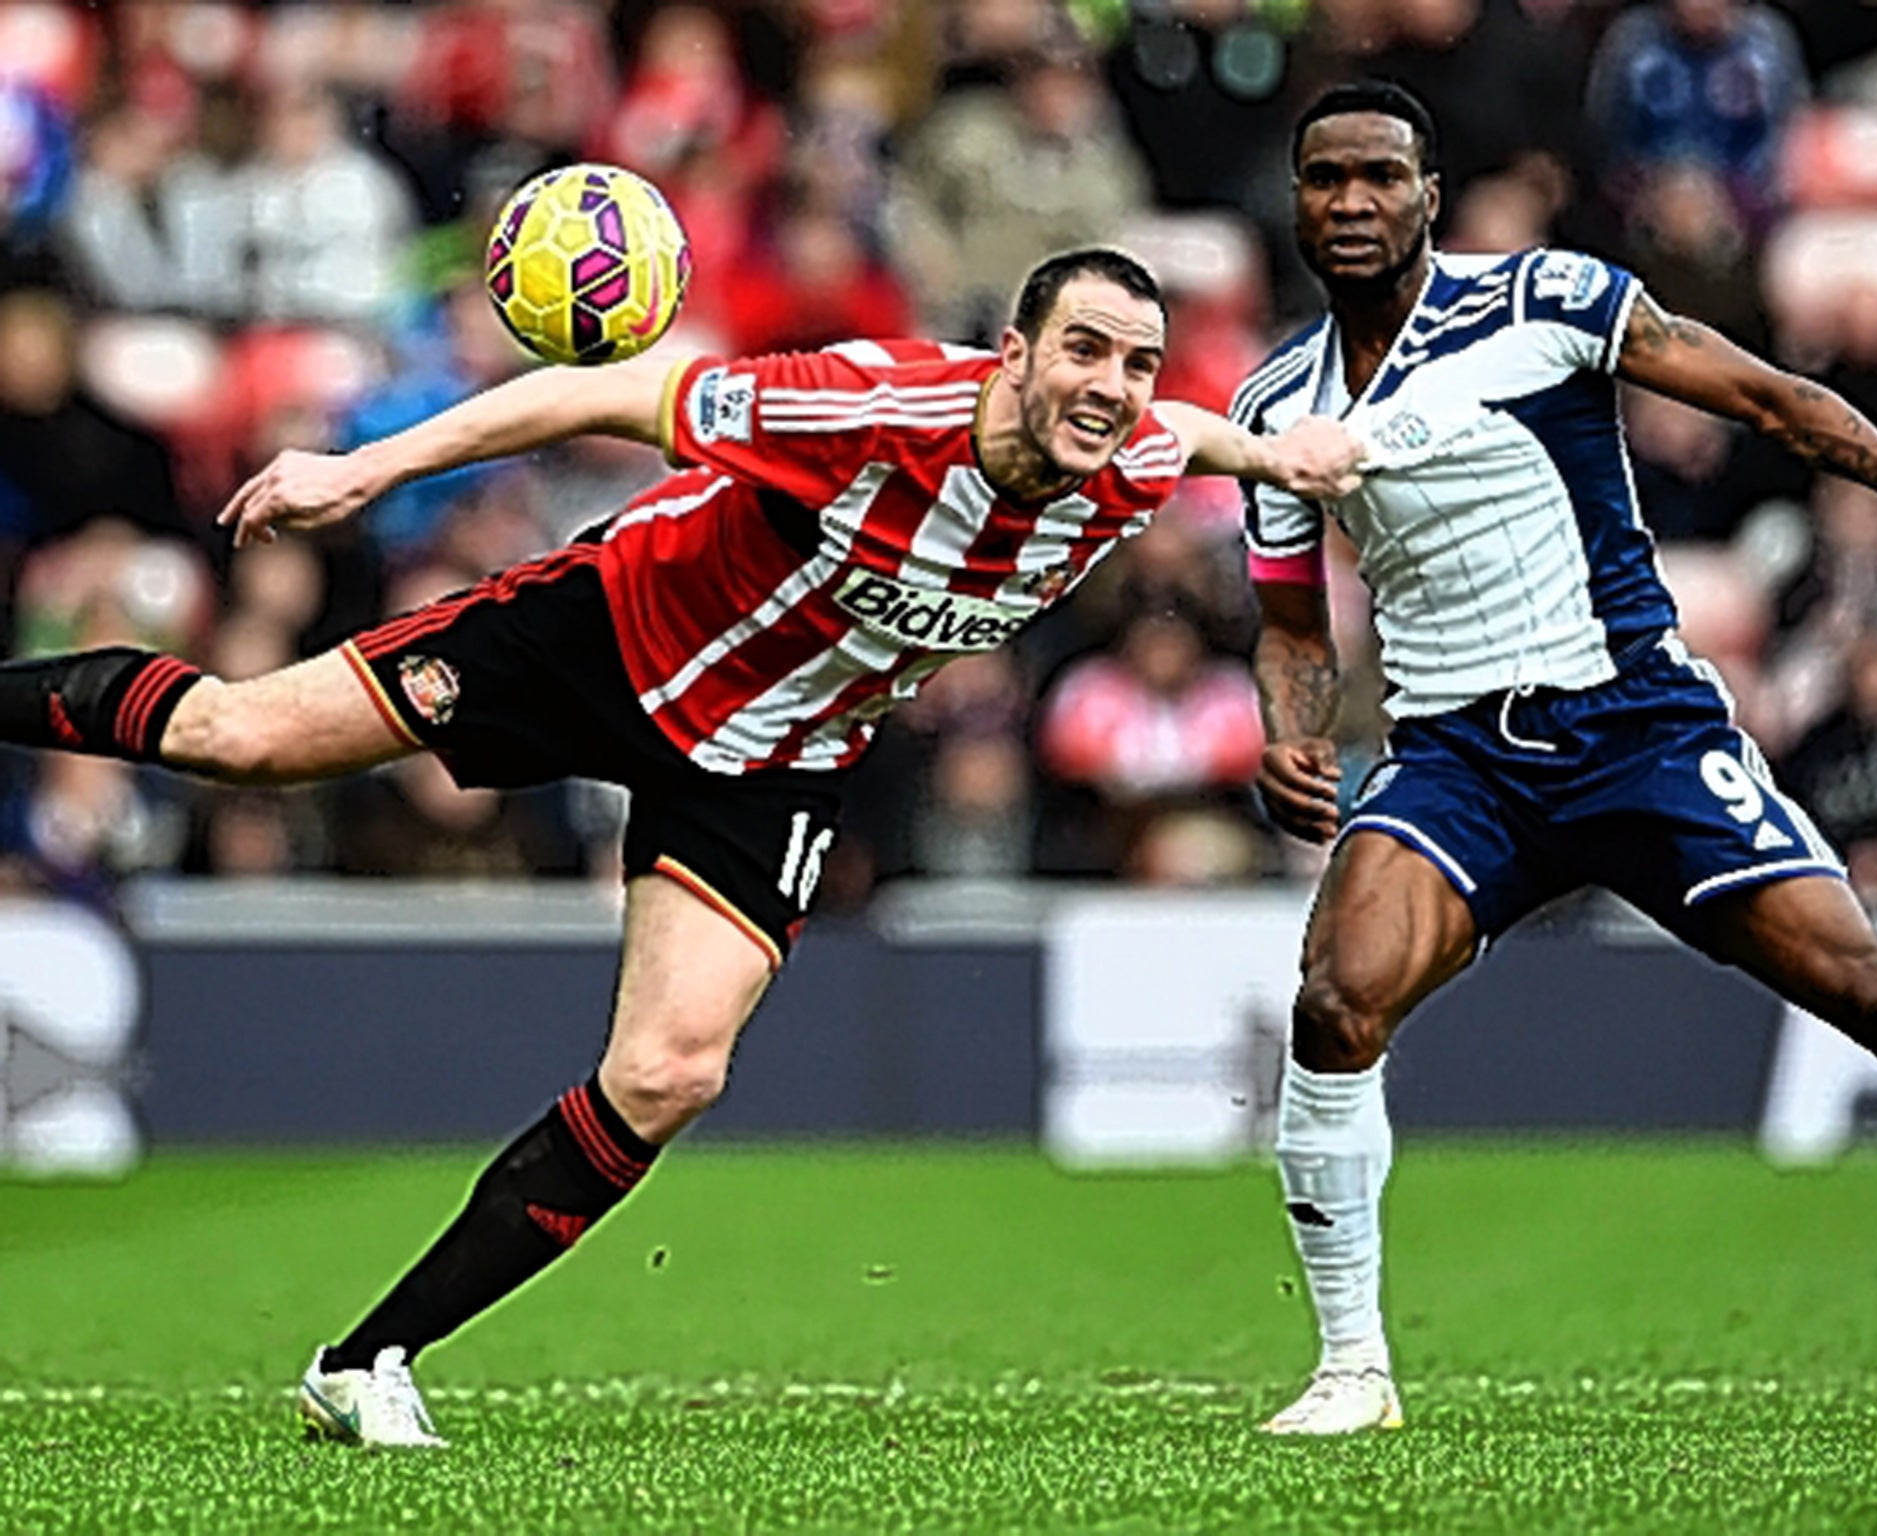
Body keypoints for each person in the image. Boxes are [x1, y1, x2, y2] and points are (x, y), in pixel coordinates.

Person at [0, 248, 1364, 1447]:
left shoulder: (1126, 459)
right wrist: (366, 467)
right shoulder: (868, 407)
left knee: (669, 1070)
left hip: (766, 759)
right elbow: (606, 392)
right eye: (1080, 351)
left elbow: (1187, 435)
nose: (1112, 388)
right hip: (601, 639)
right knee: (238, 738)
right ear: (1011, 356)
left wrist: (1278, 455)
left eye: (1135, 363)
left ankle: (365, 1362)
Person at [1231, 80, 1877, 1437]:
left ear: (1431, 194)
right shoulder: (1277, 401)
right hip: (1455, 762)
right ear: (1300, 203)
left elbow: (1763, 395)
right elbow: (1289, 619)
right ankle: (1353, 1371)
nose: (1355, 202)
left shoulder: (1545, 300)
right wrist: (1295, 733)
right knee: (1334, 998)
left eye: (1382, 176)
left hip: (1637, 731)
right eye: (1329, 181)